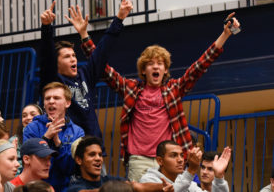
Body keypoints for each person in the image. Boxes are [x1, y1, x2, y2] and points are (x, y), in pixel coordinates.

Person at [99, 12, 240, 181]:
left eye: (160, 63)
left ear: (165, 70)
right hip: (139, 159)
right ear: (143, 70)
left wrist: (225, 34)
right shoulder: (131, 88)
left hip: (167, 160)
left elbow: (200, 66)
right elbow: (102, 69)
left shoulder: (173, 89)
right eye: (150, 64)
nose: (155, 67)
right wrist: (85, 36)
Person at [39, 0, 132, 144]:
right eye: (67, 57)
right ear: (57, 63)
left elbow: (102, 51)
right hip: (68, 147)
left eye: (74, 55)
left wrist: (119, 18)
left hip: (94, 147)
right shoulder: (53, 81)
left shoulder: (85, 75)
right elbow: (47, 57)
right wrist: (46, 27)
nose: (73, 59)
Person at [23, 82, 85, 192]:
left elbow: (71, 168)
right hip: (36, 189)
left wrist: (57, 142)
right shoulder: (31, 128)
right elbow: (29, 162)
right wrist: (46, 137)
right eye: (47, 98)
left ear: (67, 103)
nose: (51, 101)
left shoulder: (77, 132)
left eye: (56, 98)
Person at [67, 136, 174, 192]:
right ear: (79, 160)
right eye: (92, 155)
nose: (98, 159)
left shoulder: (111, 180)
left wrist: (164, 187)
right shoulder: (74, 187)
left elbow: (139, 187)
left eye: (100, 155)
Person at [140, 140, 231, 192]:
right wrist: (190, 171)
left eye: (182, 155)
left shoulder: (190, 184)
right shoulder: (147, 180)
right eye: (173, 155)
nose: (180, 160)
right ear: (160, 161)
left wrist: (219, 178)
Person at [10, 104, 43, 175]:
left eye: (33, 114)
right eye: (24, 116)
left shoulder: (48, 134)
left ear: (41, 117)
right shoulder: (14, 140)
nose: (28, 118)